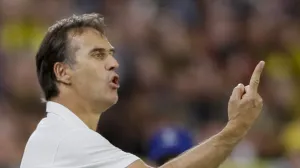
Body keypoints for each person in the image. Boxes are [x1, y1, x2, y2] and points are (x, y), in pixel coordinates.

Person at [20, 13, 265, 168]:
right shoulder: (68, 139)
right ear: (62, 73)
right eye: (97, 54)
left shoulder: (61, 136)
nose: (113, 63)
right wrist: (236, 129)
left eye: (111, 55)